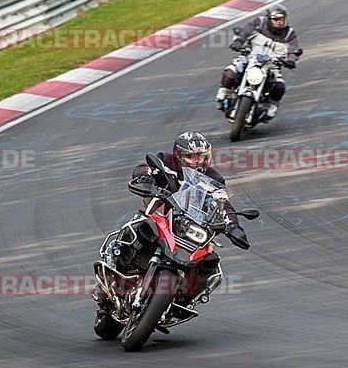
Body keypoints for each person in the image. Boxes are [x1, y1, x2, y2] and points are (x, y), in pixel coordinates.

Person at [92, 132, 245, 311]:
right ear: (178, 155)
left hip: (189, 225)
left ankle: (184, 299)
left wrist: (233, 225)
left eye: (201, 157)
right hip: (160, 212)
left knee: (210, 260)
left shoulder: (214, 178)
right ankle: (114, 271)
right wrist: (145, 177)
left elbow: (223, 202)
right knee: (140, 228)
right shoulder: (166, 160)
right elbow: (145, 167)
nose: (197, 162)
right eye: (191, 156)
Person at [215, 4, 300, 121]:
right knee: (230, 72)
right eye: (276, 19)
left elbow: (293, 49)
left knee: (279, 86)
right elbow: (245, 30)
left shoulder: (289, 33)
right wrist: (239, 41)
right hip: (249, 58)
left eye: (281, 19)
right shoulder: (259, 22)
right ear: (269, 19)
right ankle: (224, 93)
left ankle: (270, 106)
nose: (279, 22)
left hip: (272, 65)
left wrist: (291, 60)